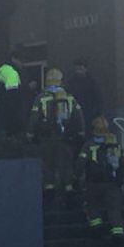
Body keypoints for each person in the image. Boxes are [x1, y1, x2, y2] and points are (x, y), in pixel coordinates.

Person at [28, 68, 85, 199]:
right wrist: (81, 131)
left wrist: (30, 133)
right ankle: (68, 188)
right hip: (66, 137)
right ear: (61, 81)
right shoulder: (69, 97)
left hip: (47, 136)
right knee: (66, 162)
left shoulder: (41, 98)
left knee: (48, 163)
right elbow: (79, 115)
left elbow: (34, 116)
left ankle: (49, 189)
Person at [77, 116, 124, 247]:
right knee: (114, 210)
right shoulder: (115, 144)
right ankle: (118, 236)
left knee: (92, 206)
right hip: (112, 183)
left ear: (94, 130)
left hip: (94, 183)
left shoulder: (89, 145)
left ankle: (97, 230)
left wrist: (78, 176)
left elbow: (80, 163)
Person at [67, 58, 103, 136]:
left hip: (89, 115)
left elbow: (98, 99)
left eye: (80, 68)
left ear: (85, 69)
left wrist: (96, 114)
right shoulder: (70, 83)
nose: (78, 70)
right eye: (76, 68)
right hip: (74, 117)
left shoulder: (92, 82)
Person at [0, 51, 25, 138]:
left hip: (1, 113)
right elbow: (13, 96)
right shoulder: (12, 73)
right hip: (10, 117)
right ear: (14, 59)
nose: (22, 64)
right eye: (21, 61)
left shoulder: (2, 69)